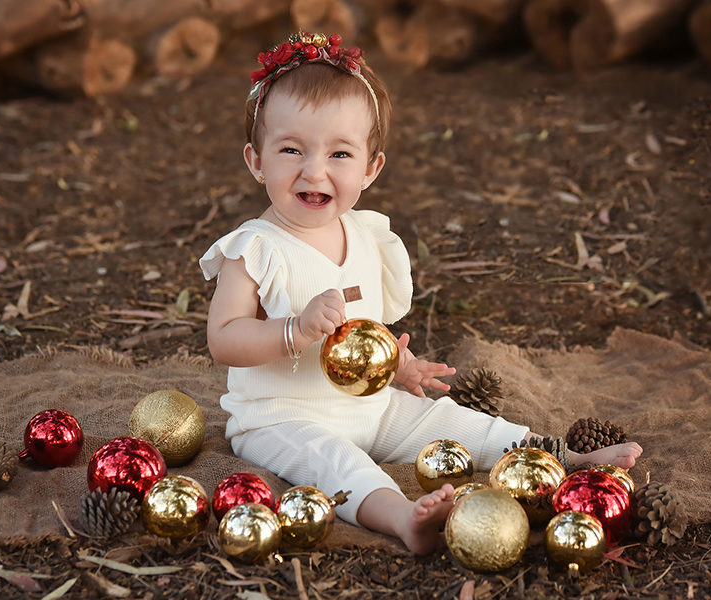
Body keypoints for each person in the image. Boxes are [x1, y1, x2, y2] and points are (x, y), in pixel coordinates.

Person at [200, 32, 642, 555]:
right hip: (282, 417)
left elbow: (367, 338)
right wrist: (293, 330)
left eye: (339, 153)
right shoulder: (255, 247)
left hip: (373, 407)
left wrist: (399, 366)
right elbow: (223, 339)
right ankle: (403, 518)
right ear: (256, 161)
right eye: (291, 149)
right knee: (334, 462)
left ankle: (560, 457)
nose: (314, 170)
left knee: (451, 419)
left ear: (370, 169)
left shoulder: (367, 236)